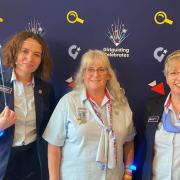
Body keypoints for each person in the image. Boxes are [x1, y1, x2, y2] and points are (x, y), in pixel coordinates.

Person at [43, 49, 135, 180]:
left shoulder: (122, 104)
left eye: (101, 69)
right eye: (90, 69)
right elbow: (54, 144)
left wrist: (128, 173)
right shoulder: (68, 102)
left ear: (108, 74)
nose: (95, 74)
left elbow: (129, 141)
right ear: (83, 74)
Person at [0, 31, 55, 180]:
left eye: (37, 54)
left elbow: (48, 129)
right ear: (14, 52)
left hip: (34, 160)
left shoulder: (46, 89)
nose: (30, 58)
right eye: (24, 51)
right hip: (4, 159)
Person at [142, 50, 180, 180]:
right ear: (166, 77)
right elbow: (145, 148)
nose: (178, 78)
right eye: (173, 73)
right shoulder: (152, 107)